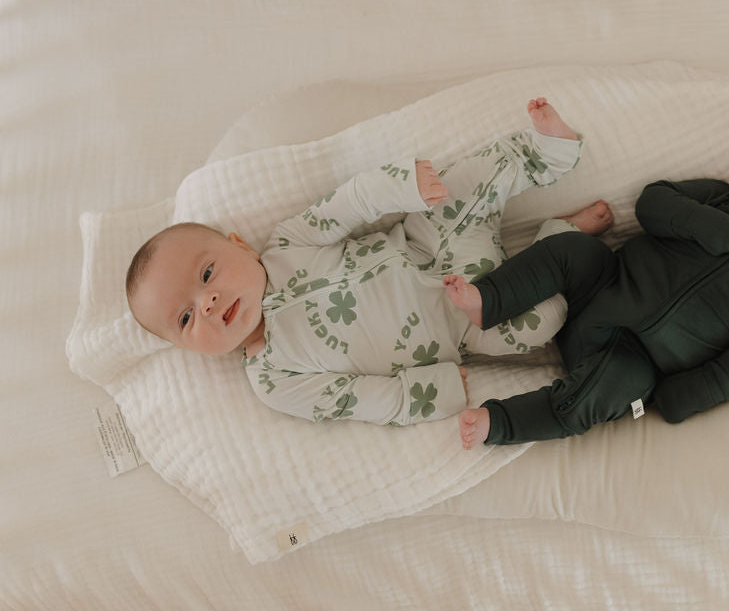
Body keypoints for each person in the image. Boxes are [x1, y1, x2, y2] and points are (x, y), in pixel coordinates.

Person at [125, 97, 613, 427]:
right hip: (464, 323)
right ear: (189, 349)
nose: (207, 302)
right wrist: (434, 390)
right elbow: (357, 401)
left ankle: (547, 153)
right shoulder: (276, 380)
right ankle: (560, 239)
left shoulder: (287, 245)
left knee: (466, 184)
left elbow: (347, 205)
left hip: (430, 245)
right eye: (186, 318)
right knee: (542, 322)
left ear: (240, 244)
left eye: (206, 274)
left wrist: (401, 186)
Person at [445, 126, 729, 449]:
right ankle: (490, 299)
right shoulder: (719, 201)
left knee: (592, 400)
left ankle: (499, 423)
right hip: (606, 282)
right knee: (570, 249)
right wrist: (704, 224)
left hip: (634, 360)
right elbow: (652, 202)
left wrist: (679, 398)